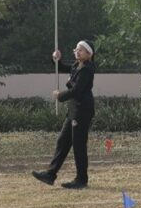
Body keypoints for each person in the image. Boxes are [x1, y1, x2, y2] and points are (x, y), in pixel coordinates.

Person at [32, 40, 98, 189]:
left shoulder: (87, 69)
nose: (77, 52)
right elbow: (61, 67)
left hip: (82, 111)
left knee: (78, 145)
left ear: (89, 54)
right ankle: (50, 174)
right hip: (74, 110)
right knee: (63, 141)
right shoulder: (77, 65)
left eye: (81, 50)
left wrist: (60, 95)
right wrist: (56, 59)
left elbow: (76, 90)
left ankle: (81, 179)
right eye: (76, 49)